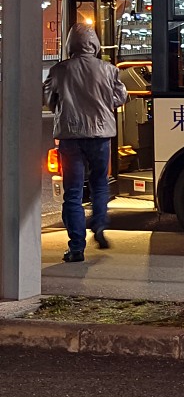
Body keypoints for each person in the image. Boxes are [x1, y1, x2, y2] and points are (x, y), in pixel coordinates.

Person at [43, 23, 128, 263]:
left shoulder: (60, 70)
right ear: (95, 44)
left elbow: (49, 99)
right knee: (100, 183)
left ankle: (76, 248)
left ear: (71, 44)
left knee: (72, 192)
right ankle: (99, 224)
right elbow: (121, 96)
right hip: (100, 137)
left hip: (70, 137)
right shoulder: (108, 69)